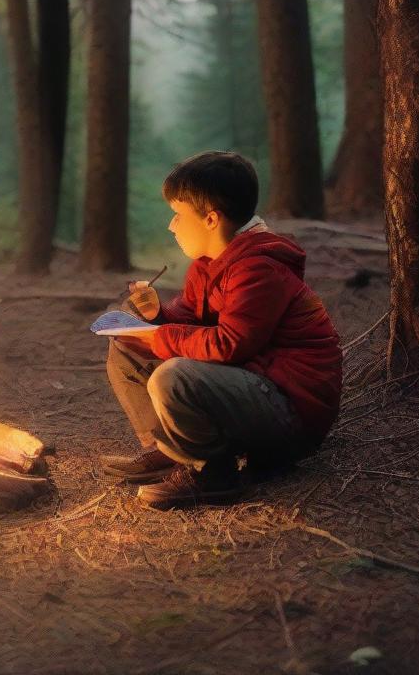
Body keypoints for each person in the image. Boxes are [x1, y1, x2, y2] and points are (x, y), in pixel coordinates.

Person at [97, 151, 341, 509]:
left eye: (178, 215)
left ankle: (214, 475)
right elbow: (191, 322)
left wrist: (162, 336)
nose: (172, 225)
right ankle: (169, 449)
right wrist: (156, 317)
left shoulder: (257, 269)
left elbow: (230, 345)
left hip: (290, 410)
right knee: (126, 347)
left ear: (210, 219)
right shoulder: (208, 265)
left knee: (174, 377)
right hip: (250, 384)